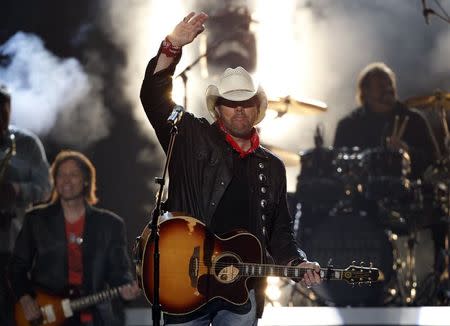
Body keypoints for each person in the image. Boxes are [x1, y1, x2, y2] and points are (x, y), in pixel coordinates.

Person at [140, 11, 321, 325]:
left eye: (246, 102)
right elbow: (153, 98)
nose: (239, 109)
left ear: (257, 108)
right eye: (231, 102)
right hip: (184, 281)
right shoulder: (188, 135)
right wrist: (172, 46)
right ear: (218, 108)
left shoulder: (272, 167)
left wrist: (296, 261)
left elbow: (279, 233)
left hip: (240, 289)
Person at [8, 150, 140, 325]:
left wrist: (127, 289)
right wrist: (25, 299)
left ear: (86, 180)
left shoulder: (110, 224)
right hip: (47, 314)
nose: (66, 180)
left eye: (73, 174)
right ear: (54, 180)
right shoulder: (35, 220)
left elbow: (120, 272)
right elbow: (16, 268)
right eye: (61, 175)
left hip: (95, 317)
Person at [0, 84, 51, 326]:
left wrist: (18, 190)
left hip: (16, 247)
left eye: (4, 104)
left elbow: (47, 189)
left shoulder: (27, 143)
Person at [334, 62, 436, 179]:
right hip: (362, 194)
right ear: (365, 92)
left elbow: (433, 162)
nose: (388, 89)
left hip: (409, 193)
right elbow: (337, 166)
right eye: (381, 86)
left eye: (390, 84)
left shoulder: (414, 120)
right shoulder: (348, 126)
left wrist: (407, 152)